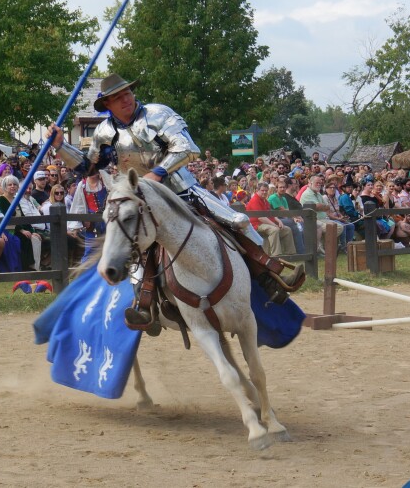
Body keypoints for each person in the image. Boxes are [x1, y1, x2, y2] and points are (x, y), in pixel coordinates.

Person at [48, 73, 304, 327]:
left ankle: (270, 276)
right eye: (117, 97)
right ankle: (144, 303)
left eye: (127, 93)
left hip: (181, 189)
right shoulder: (104, 132)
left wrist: (156, 174)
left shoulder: (158, 114)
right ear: (107, 105)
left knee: (237, 220)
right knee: (137, 244)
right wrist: (60, 146)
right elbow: (89, 168)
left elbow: (187, 148)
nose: (125, 99)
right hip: (140, 199)